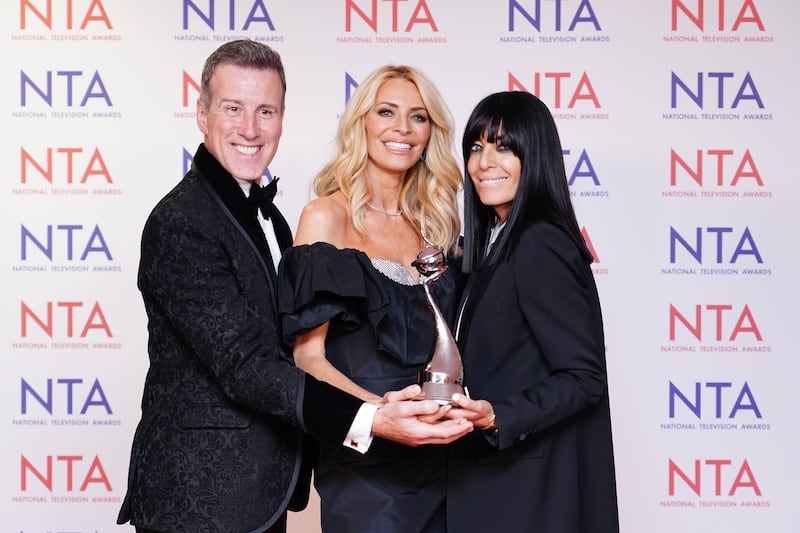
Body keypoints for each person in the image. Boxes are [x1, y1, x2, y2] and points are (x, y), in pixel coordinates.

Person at [116, 41, 471, 533]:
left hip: (269, 485)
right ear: (201, 113)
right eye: (233, 108)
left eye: (266, 111)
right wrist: (370, 415)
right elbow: (247, 365)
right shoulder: (183, 222)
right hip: (202, 494)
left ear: (283, 119)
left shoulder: (272, 220)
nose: (250, 128)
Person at [277, 65, 463, 532]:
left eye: (418, 117)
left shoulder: (438, 224)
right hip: (367, 468)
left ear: (430, 133)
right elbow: (308, 359)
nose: (402, 128)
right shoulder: (325, 217)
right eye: (387, 112)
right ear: (361, 123)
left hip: (447, 459)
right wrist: (381, 416)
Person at [444, 91, 619, 532]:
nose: (485, 161)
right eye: (476, 147)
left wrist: (498, 414)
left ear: (534, 155)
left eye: (504, 147)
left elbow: (584, 377)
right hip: (495, 483)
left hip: (528, 494)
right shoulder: (493, 245)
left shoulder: (539, 242)